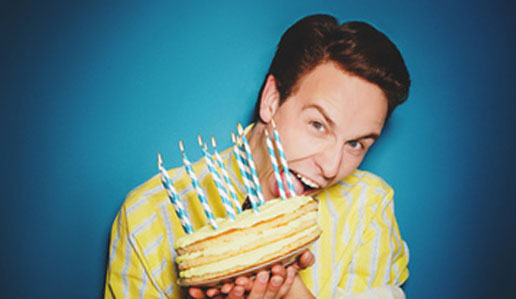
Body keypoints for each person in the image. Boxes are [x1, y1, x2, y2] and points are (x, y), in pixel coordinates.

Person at [105, 14, 410, 299]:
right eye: (318, 125)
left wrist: (292, 294)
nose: (331, 168)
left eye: (356, 143)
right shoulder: (150, 215)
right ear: (271, 100)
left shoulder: (368, 207)